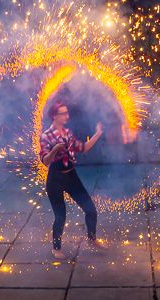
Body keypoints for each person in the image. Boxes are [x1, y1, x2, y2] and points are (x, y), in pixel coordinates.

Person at [39, 102, 106, 259]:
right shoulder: (46, 136)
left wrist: (97, 134)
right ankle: (56, 248)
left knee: (91, 210)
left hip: (71, 176)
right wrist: (55, 149)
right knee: (60, 216)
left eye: (67, 112)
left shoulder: (68, 133)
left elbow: (83, 148)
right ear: (55, 116)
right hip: (55, 179)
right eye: (63, 113)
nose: (67, 116)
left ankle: (92, 239)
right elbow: (45, 161)